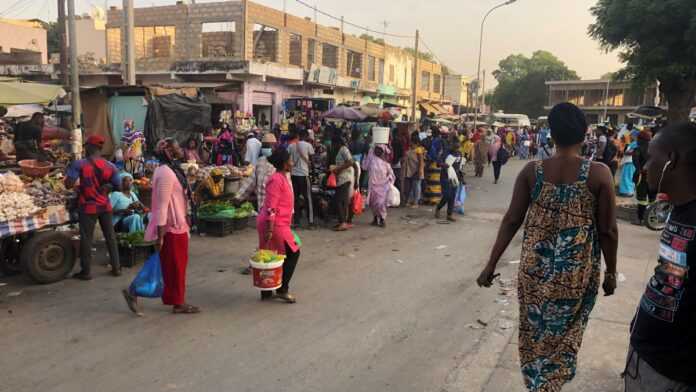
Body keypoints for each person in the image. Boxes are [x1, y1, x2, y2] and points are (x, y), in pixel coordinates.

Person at [476, 102, 618, 392]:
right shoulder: (599, 174)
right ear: (585, 133)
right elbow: (608, 231)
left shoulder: (532, 171)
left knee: (534, 333)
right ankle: (548, 385)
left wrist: (490, 265)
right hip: (575, 275)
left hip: (534, 273)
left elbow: (511, 220)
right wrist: (612, 272)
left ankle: (537, 383)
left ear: (550, 134)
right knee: (564, 337)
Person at [624, 122, 696, 392]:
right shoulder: (679, 210)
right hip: (647, 356)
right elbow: (673, 274)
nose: (645, 166)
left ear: (672, 160)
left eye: (652, 157)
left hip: (672, 372)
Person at [123, 138, 199, 315]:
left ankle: (174, 300)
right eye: (177, 147)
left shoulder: (171, 170)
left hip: (177, 225)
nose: (180, 149)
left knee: (170, 267)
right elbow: (162, 205)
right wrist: (161, 235)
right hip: (171, 228)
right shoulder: (165, 173)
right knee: (175, 267)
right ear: (168, 151)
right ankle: (174, 302)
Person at [65, 135, 122, 279]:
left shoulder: (80, 164)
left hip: (88, 207)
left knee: (86, 239)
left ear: (89, 147)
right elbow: (119, 186)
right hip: (105, 206)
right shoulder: (111, 166)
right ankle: (117, 268)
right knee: (110, 237)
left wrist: (73, 176)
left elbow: (68, 184)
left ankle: (86, 272)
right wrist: (108, 186)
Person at [257, 148, 301, 303]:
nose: (292, 162)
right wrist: (270, 228)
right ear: (284, 163)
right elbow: (271, 206)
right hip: (274, 224)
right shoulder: (276, 179)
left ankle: (267, 291)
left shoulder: (282, 177)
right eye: (290, 160)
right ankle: (282, 289)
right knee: (293, 252)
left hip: (280, 223)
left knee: (271, 254)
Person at [235, 133, 277, 212]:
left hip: (275, 210)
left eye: (267, 146)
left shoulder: (279, 164)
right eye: (263, 146)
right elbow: (250, 182)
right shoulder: (260, 161)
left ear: (274, 146)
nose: (264, 149)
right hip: (262, 209)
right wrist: (238, 197)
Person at [288, 130, 315, 227]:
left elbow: (287, 159)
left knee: (295, 199)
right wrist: (313, 173)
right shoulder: (308, 146)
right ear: (307, 136)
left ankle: (296, 221)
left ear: (298, 136)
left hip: (294, 175)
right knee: (308, 198)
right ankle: (310, 222)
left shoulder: (291, 146)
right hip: (304, 175)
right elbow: (312, 161)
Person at [363, 145, 395, 227]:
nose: (378, 152)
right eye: (376, 150)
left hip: (382, 187)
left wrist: (389, 180)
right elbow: (364, 167)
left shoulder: (386, 164)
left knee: (381, 204)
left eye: (379, 150)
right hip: (373, 186)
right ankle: (375, 218)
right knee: (373, 203)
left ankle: (382, 219)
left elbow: (391, 175)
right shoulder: (372, 161)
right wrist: (368, 155)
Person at [434, 133, 463, 222]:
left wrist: (461, 178)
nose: (456, 148)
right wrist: (444, 165)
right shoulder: (446, 152)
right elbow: (438, 163)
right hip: (445, 176)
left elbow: (459, 166)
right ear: (451, 144)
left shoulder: (459, 153)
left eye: (458, 146)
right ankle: (438, 208)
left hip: (455, 177)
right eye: (455, 146)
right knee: (447, 195)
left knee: (452, 196)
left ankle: (449, 214)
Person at [331, 134, 355, 231]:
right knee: (343, 201)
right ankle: (343, 221)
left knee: (339, 200)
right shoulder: (341, 150)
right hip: (342, 178)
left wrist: (338, 169)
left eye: (334, 143)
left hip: (345, 178)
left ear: (337, 143)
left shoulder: (344, 149)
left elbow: (350, 162)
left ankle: (343, 222)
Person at [632, 130, 656, 225]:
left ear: (641, 139)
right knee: (652, 199)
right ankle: (652, 220)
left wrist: (639, 171)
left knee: (642, 199)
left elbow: (636, 164)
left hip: (642, 177)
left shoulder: (638, 149)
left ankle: (640, 219)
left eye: (638, 138)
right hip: (654, 177)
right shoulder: (656, 149)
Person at [403, 132, 425, 207]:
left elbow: (421, 161)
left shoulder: (418, 150)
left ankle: (416, 202)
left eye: (412, 143)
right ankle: (411, 201)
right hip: (411, 171)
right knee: (412, 187)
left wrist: (420, 171)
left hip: (417, 171)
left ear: (416, 143)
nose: (410, 144)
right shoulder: (411, 149)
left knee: (416, 187)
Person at [617, 132, 638, 197]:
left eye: (631, 136)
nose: (630, 137)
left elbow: (633, 152)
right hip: (628, 162)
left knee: (628, 177)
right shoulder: (632, 143)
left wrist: (625, 152)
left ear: (635, 136)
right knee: (625, 176)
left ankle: (628, 192)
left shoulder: (636, 143)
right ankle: (625, 191)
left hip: (630, 162)